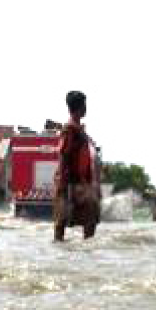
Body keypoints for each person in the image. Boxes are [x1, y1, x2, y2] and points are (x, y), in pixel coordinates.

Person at [53, 90, 100, 241]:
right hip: (71, 182)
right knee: (62, 222)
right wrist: (63, 183)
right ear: (80, 107)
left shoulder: (78, 129)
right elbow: (63, 155)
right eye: (85, 105)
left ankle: (84, 256)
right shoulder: (69, 130)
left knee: (90, 220)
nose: (86, 108)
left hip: (81, 182)